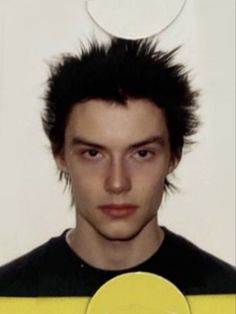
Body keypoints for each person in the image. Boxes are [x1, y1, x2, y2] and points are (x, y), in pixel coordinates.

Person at [0, 39, 235, 296]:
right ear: (60, 154)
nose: (117, 182)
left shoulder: (225, 296)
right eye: (93, 153)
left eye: (142, 153)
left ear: (173, 156)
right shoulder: (9, 297)